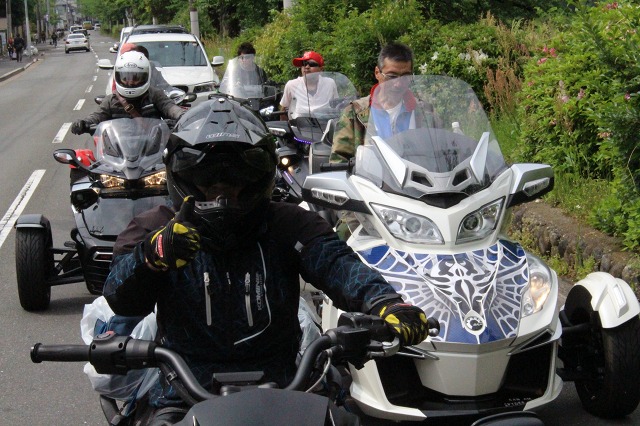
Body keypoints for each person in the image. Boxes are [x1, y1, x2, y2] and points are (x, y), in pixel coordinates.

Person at [102, 97, 435, 424]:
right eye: (208, 181)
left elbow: (337, 264)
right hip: (181, 391)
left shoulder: (287, 223)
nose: (222, 195)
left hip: (288, 386)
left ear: (258, 178)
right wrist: (151, 256)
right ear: (184, 178)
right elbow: (119, 296)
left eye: (236, 182)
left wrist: (385, 301)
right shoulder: (155, 228)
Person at [330, 42, 416, 163]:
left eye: (405, 77)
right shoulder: (354, 113)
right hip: (368, 175)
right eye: (392, 76)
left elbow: (440, 154)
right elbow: (339, 161)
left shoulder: (425, 112)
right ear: (377, 73)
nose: (398, 84)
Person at [71, 51, 185, 135]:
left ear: (146, 76)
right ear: (118, 76)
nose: (130, 82)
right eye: (125, 77)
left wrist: (183, 116)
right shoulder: (111, 100)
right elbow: (97, 116)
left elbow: (170, 108)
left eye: (136, 77)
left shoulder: (154, 95)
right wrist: (83, 123)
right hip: (117, 151)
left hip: (154, 149)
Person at [279, 50, 338, 120]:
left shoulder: (330, 83)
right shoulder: (291, 85)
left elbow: (337, 107)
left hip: (325, 125)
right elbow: (283, 111)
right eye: (304, 64)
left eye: (311, 64)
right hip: (299, 125)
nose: (307, 67)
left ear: (321, 69)